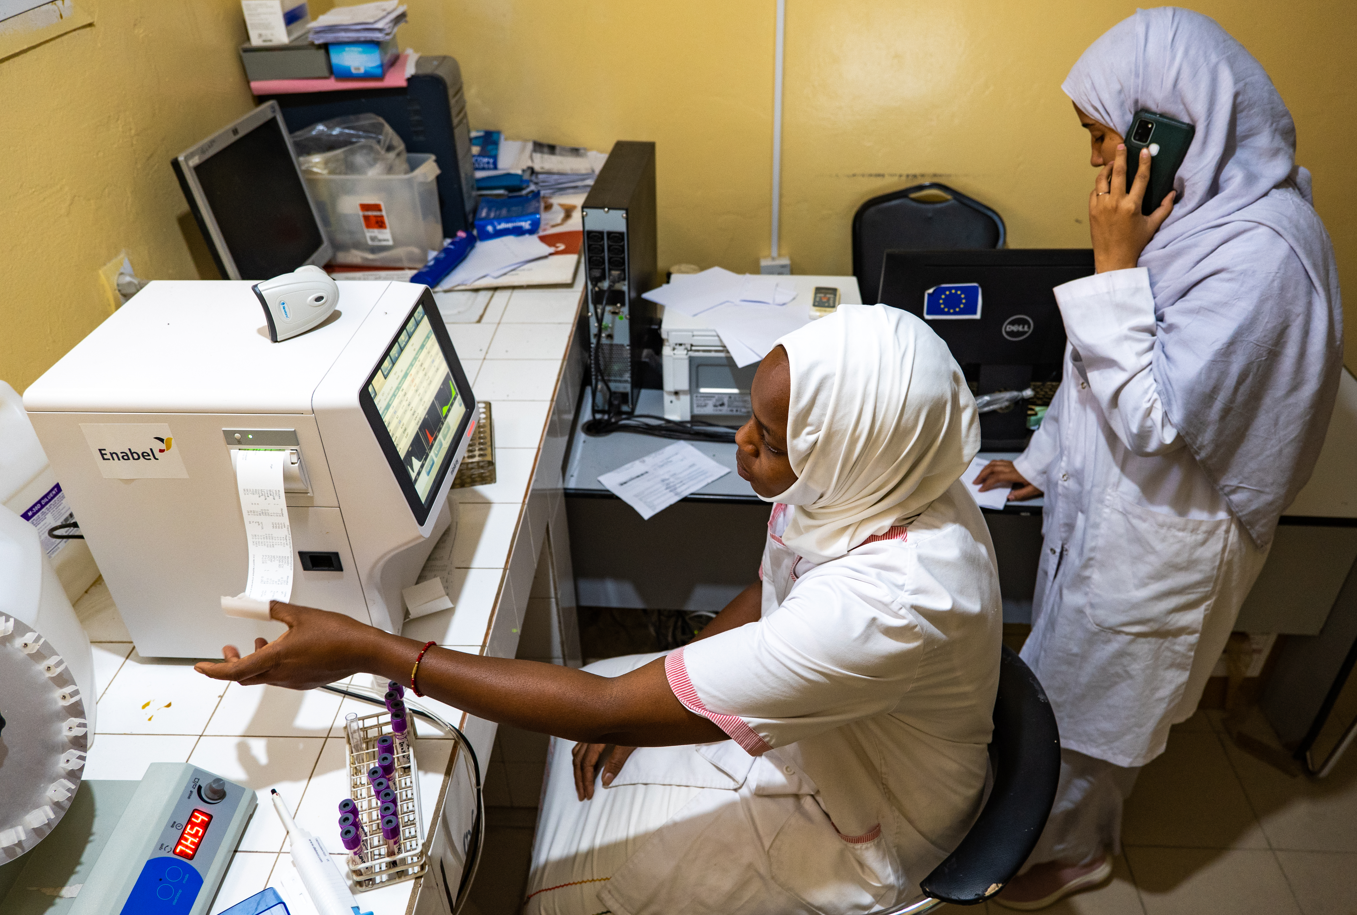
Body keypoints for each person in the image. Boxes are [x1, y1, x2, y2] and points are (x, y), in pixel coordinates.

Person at [198, 303, 1004, 915]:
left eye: (772, 437)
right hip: (840, 739)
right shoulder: (883, 479)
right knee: (602, 698)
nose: (741, 444)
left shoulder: (887, 603)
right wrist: (641, 710)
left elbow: (615, 701)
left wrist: (375, 651)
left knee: (560, 890)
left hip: (868, 820)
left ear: (856, 446)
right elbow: (775, 585)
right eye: (753, 417)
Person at [973, 8, 1344, 910]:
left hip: (1167, 536)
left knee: (1104, 708)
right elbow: (1098, 371)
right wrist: (1043, 452)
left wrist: (1110, 262)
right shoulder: (1194, 217)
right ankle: (1042, 816)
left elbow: (1149, 416)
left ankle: (1075, 850)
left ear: (1177, 123)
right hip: (1116, 511)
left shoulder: (1262, 256)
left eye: (1105, 134)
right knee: (1068, 676)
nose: (1098, 160)